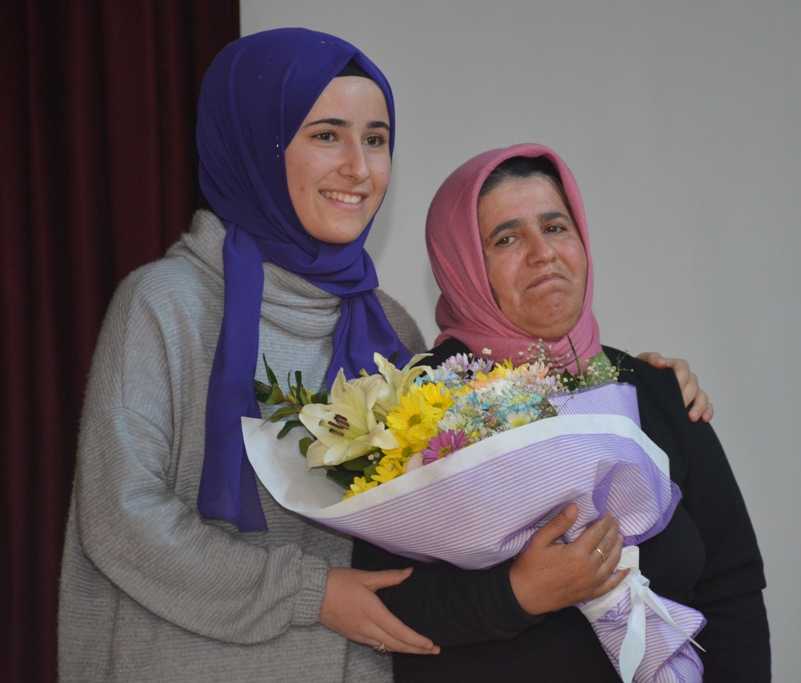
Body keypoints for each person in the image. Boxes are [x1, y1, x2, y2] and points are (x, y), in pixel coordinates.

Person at [57, 30, 710, 682]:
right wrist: (312, 593)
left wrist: (641, 382)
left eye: (375, 139)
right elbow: (120, 521)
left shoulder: (389, 327)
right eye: (326, 135)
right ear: (257, 144)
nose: (359, 168)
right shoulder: (166, 304)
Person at [353, 144, 771, 682]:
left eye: (555, 227)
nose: (542, 253)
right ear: (463, 268)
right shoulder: (420, 404)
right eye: (507, 239)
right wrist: (516, 594)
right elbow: (384, 597)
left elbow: (732, 586)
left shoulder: (655, 391)